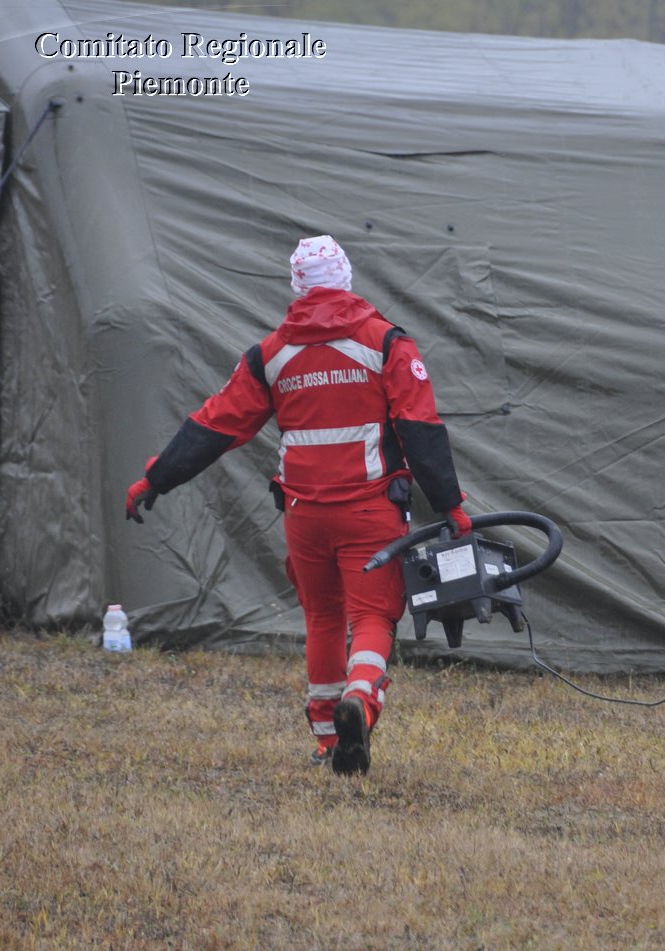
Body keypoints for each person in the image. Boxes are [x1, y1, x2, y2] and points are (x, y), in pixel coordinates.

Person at [125, 235, 471, 776]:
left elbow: (217, 424)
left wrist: (155, 479)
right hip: (371, 512)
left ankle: (330, 737)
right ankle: (361, 696)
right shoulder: (385, 343)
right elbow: (420, 428)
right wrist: (451, 506)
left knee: (323, 619)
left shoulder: (271, 355)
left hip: (304, 517)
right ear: (347, 278)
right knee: (373, 615)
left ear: (298, 287)